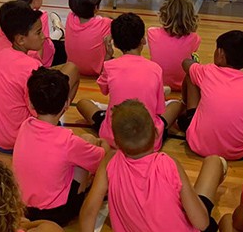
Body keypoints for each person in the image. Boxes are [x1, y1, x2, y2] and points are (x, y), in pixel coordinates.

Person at [74, 100, 226, 232]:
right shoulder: (168, 163)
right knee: (213, 163)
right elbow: (202, 223)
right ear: (156, 133)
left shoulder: (108, 163)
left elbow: (88, 212)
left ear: (116, 142)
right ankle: (221, 167)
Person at [76, 12, 183, 150]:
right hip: (147, 140)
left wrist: (108, 55)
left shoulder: (110, 66)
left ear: (114, 42)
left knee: (83, 103)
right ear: (143, 40)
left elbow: (103, 89)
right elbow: (159, 110)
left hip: (114, 137)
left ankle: (109, 108)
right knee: (176, 105)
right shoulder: (155, 68)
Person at [15, 68, 107, 226]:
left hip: (23, 208)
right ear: (66, 104)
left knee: (74, 154)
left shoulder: (25, 125)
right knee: (89, 141)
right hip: (55, 215)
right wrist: (102, 142)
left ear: (30, 102)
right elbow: (103, 161)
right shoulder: (68, 141)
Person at [0, 1, 79, 151]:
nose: (43, 36)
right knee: (72, 70)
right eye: (38, 32)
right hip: (23, 140)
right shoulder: (31, 67)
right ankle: (52, 126)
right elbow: (39, 108)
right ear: (21, 39)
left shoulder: (0, 56)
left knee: (67, 69)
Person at [179, 30, 243, 160]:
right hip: (237, 152)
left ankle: (186, 108)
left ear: (220, 54)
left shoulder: (208, 71)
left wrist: (195, 64)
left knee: (191, 76)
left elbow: (186, 63)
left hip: (198, 145)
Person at [147, 0, 200, 92]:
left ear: (163, 14)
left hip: (158, 82)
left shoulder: (152, 33)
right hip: (183, 85)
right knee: (195, 62)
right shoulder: (195, 38)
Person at [14, 0, 66, 66]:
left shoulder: (13, 14)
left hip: (21, 55)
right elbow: (40, 43)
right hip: (47, 58)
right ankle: (59, 31)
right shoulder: (40, 16)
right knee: (65, 47)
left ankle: (59, 31)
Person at [64, 0, 113, 77]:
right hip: (97, 70)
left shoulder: (70, 17)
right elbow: (115, 23)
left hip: (73, 68)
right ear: (95, 8)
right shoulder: (104, 23)